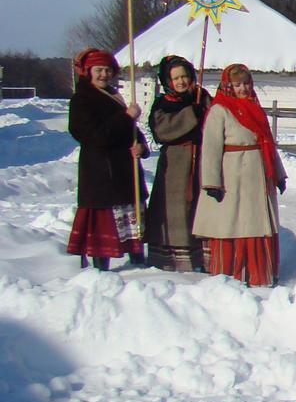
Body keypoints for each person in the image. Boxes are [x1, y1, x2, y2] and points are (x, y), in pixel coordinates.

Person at [193, 64, 287, 287]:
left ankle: (259, 273)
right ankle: (233, 273)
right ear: (228, 86)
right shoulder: (220, 110)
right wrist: (212, 181)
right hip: (233, 174)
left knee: (256, 224)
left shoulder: (255, 107)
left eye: (246, 83)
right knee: (235, 224)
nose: (243, 88)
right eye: (237, 85)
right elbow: (211, 148)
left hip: (258, 173)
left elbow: (267, 143)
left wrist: (279, 174)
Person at [66, 48, 149, 270]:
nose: (103, 74)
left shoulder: (114, 95)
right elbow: (95, 136)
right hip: (101, 174)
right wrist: (126, 117)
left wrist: (141, 146)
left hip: (125, 171)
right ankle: (101, 268)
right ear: (87, 71)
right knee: (104, 222)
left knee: (132, 220)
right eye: (98, 70)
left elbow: (131, 131)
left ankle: (138, 263)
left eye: (107, 70)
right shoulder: (81, 100)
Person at [145, 55, 212, 272]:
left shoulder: (202, 97)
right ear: (168, 81)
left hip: (201, 159)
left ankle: (203, 255)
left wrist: (203, 106)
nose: (181, 82)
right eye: (176, 78)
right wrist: (191, 114)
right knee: (175, 209)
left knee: (201, 206)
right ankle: (173, 258)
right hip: (174, 163)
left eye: (185, 76)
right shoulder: (163, 103)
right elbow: (162, 130)